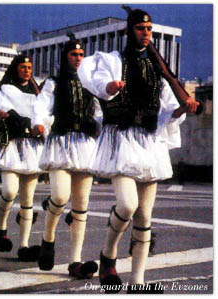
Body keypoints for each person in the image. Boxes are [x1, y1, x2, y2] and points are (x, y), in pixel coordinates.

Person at [77, 8, 199, 293]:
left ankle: (137, 282)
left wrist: (185, 107)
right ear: (129, 31)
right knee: (128, 205)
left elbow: (168, 109)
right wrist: (109, 86)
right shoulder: (114, 60)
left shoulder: (159, 70)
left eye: (149, 28)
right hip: (121, 139)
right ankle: (108, 255)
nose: (146, 32)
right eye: (141, 28)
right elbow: (96, 81)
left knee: (144, 217)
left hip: (148, 142)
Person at [34, 37, 100, 279]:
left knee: (81, 206)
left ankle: (75, 261)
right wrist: (38, 124)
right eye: (74, 54)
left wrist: (100, 127)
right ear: (66, 57)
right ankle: (47, 240)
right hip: (61, 142)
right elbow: (41, 107)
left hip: (84, 144)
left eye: (81, 55)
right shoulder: (54, 82)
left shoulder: (92, 84)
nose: (78, 58)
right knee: (60, 196)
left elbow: (100, 112)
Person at [0, 55, 49, 262]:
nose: (27, 71)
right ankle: (1, 228)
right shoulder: (4, 90)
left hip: (32, 146)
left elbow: (44, 116)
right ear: (15, 69)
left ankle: (24, 245)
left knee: (27, 199)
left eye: (29, 67)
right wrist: (0, 114)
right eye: (23, 67)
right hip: (12, 144)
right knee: (9, 191)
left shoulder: (38, 94)